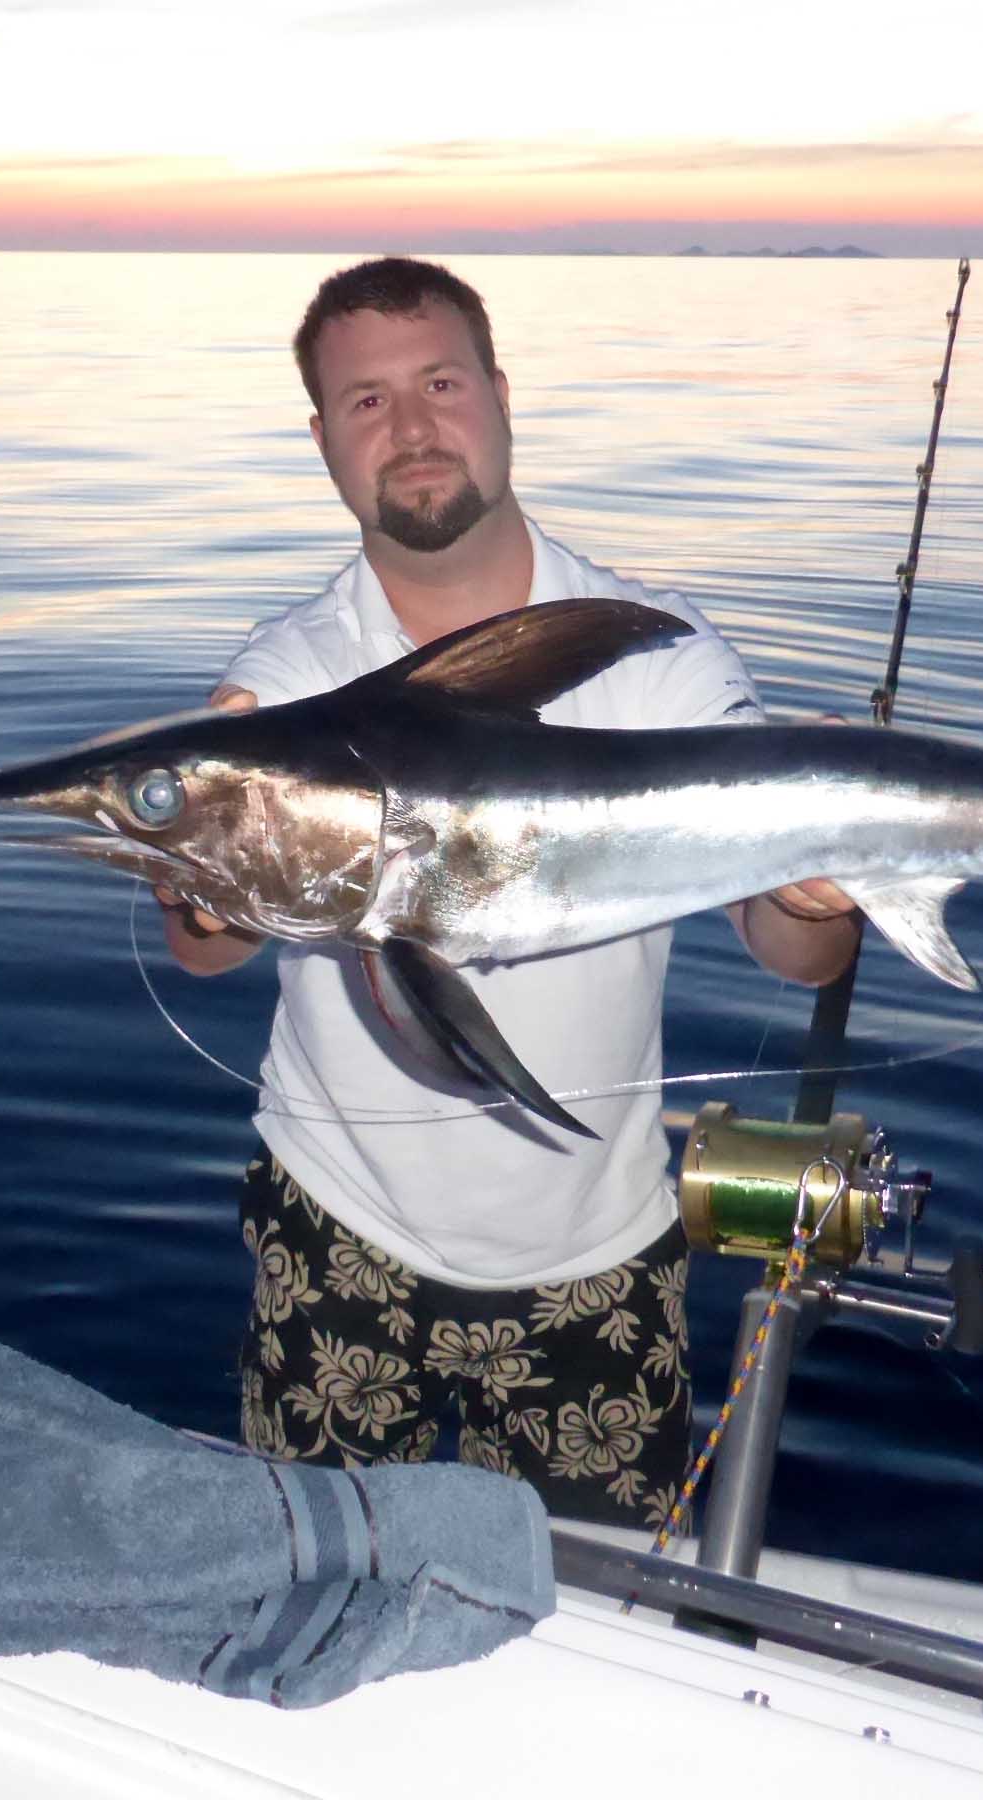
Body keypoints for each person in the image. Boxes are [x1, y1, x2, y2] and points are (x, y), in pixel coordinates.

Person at [160, 256, 861, 1528]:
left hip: (595, 1250)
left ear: (499, 392)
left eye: (439, 382)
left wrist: (816, 900)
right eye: (365, 402)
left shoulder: (658, 651)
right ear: (321, 439)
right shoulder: (292, 671)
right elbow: (205, 954)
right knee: (306, 1587)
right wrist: (203, 883)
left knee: (587, 1636)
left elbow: (794, 958)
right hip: (334, 1228)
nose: (413, 429)